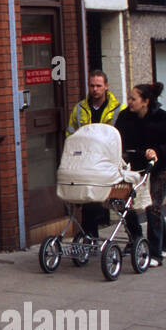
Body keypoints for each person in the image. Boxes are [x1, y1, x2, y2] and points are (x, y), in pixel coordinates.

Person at [114, 82, 166, 266]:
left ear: (145, 101)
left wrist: (157, 151)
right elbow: (117, 138)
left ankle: (155, 254)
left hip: (163, 168)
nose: (129, 102)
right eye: (129, 98)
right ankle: (162, 242)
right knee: (129, 203)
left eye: (133, 99)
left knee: (153, 207)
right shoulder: (125, 117)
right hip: (138, 168)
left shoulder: (162, 118)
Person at [66, 70, 122, 239]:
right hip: (86, 165)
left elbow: (123, 136)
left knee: (120, 202)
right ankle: (90, 237)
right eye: (92, 86)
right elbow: (71, 135)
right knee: (88, 201)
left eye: (99, 85)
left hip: (109, 164)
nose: (95, 89)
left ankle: (135, 236)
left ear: (106, 86)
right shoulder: (80, 109)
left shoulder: (118, 110)